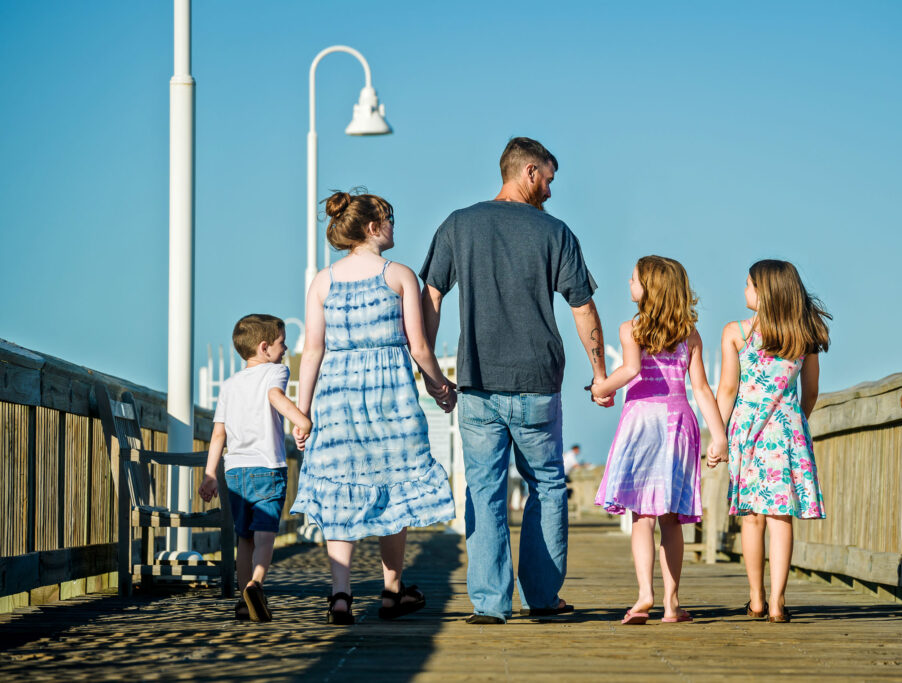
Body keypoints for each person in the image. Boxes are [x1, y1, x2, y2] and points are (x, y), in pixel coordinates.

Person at [420, 137, 612, 624]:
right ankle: (543, 598)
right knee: (547, 486)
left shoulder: (458, 224)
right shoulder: (556, 232)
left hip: (478, 383)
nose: (550, 188)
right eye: (547, 177)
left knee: (484, 488)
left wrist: (432, 371)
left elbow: (432, 298)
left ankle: (489, 603)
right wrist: (600, 374)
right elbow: (582, 306)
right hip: (537, 381)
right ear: (528, 171)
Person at [290, 189, 456, 625]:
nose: (394, 226)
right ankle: (390, 592)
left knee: (340, 490)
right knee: (394, 489)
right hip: (391, 397)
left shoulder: (323, 281)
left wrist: (302, 413)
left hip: (337, 395)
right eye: (390, 219)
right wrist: (441, 387)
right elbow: (419, 347)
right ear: (372, 227)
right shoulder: (399, 275)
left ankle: (340, 597)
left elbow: (312, 352)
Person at [591, 256, 727, 625]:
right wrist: (719, 436)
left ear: (647, 289)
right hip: (679, 422)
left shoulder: (630, 329)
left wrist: (601, 387)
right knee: (671, 518)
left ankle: (643, 595)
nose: (628, 281)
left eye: (633, 278)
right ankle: (671, 602)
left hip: (642, 423)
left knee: (642, 515)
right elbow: (701, 387)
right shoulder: (690, 335)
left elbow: (631, 369)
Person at [710, 259, 830, 623]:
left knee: (752, 518)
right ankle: (778, 603)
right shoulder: (804, 335)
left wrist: (718, 435)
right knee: (782, 518)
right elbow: (810, 392)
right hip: (787, 430)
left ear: (763, 294)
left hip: (747, 431)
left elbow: (728, 388)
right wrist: (796, 422)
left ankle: (756, 599)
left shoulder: (737, 332)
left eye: (748, 284)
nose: (744, 290)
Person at [199, 314, 312, 622]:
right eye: (281, 343)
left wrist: (210, 474)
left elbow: (218, 433)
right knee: (265, 534)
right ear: (265, 348)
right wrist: (301, 421)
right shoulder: (276, 371)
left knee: (244, 537)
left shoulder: (229, 385)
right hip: (267, 467)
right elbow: (275, 397)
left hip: (234, 472)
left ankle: (242, 600)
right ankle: (255, 584)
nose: (285, 348)